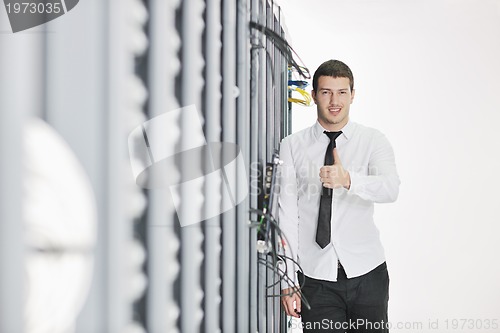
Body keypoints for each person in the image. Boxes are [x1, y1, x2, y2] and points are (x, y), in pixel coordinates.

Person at [279, 59, 400, 332]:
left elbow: (390, 188)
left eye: (342, 92)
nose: (334, 101)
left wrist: (348, 180)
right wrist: (287, 280)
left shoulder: (372, 140)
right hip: (315, 278)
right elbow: (286, 216)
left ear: (352, 95)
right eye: (326, 92)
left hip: (367, 274)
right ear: (314, 96)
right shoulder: (292, 146)